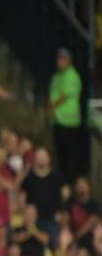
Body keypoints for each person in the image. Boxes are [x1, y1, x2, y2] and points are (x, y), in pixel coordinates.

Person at [49, 48, 85, 183]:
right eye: (59, 58)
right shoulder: (57, 75)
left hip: (70, 121)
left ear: (69, 60)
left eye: (63, 58)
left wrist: (51, 107)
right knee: (61, 154)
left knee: (71, 156)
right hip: (58, 119)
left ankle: (71, 182)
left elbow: (64, 95)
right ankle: (63, 181)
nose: (60, 61)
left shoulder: (72, 75)